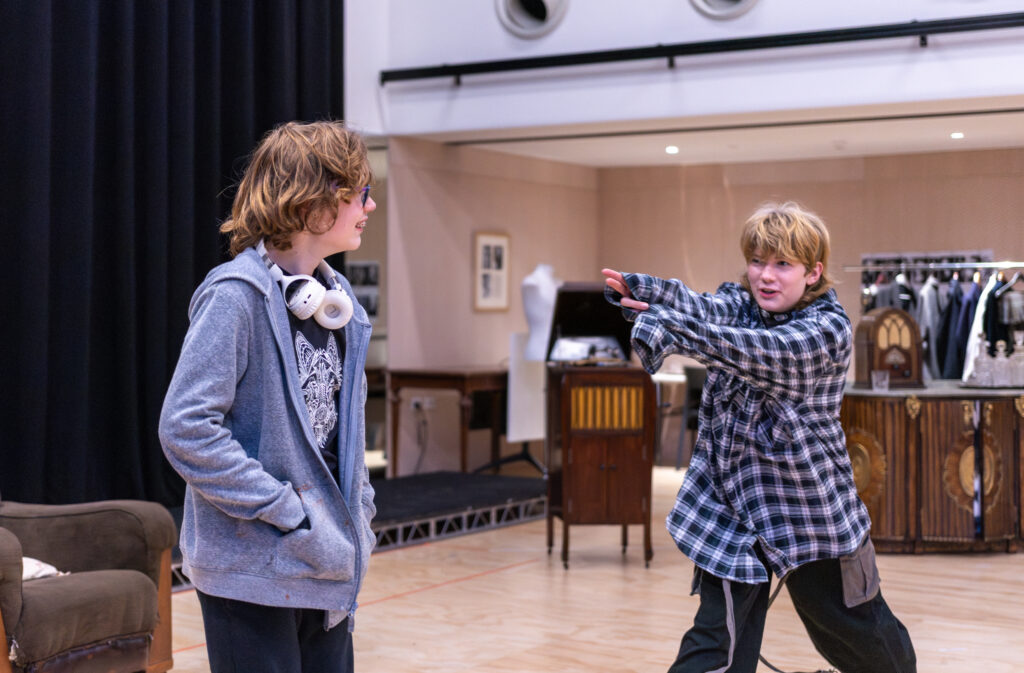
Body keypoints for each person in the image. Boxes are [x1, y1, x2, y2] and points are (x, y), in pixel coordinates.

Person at [603, 202, 916, 673]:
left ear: (813, 272)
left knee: (867, 639)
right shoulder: (742, 305)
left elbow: (757, 352)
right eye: (757, 261)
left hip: (809, 511)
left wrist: (674, 329)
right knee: (716, 641)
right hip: (733, 505)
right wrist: (645, 290)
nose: (765, 276)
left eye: (782, 264)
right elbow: (704, 307)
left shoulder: (826, 331)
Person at [160, 120, 378, 673]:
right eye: (359, 193)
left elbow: (345, 442)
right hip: (250, 573)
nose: (369, 206)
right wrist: (287, 512)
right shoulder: (235, 297)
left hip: (327, 567)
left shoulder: (344, 310)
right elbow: (186, 429)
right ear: (311, 201)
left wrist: (359, 517)